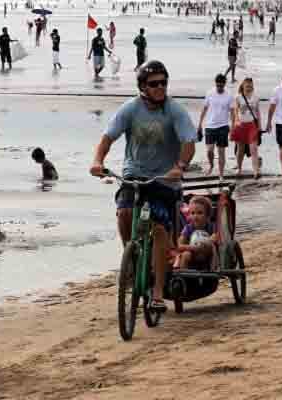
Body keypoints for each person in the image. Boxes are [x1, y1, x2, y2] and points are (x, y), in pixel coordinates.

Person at [89, 60, 197, 311]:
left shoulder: (174, 110)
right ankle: (132, 256)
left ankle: (158, 293)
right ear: (142, 86)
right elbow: (107, 138)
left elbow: (189, 143)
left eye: (163, 83)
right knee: (124, 212)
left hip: (164, 180)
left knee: (159, 230)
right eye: (154, 84)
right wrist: (97, 161)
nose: (160, 87)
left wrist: (179, 166)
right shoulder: (130, 109)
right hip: (134, 175)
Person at [197, 73, 234, 179]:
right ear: (215, 84)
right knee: (209, 150)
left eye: (221, 86)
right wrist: (199, 124)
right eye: (218, 85)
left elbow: (232, 112)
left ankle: (221, 174)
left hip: (223, 126)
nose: (219, 88)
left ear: (224, 84)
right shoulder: (210, 93)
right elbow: (204, 109)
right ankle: (211, 165)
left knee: (221, 152)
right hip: (210, 126)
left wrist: (232, 126)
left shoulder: (229, 95)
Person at [175, 196, 215, 270]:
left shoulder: (211, 227)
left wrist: (211, 240)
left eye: (200, 213)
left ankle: (213, 271)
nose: (195, 216)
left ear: (207, 215)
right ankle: (183, 277)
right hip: (192, 255)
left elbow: (216, 238)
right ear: (189, 215)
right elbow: (179, 246)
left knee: (214, 249)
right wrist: (192, 248)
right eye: (192, 213)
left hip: (207, 255)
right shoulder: (188, 228)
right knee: (186, 255)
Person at [232, 77, 261, 179]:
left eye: (250, 85)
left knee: (254, 148)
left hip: (252, 125)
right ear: (243, 86)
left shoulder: (256, 97)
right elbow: (235, 111)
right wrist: (236, 121)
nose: (249, 87)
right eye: (247, 85)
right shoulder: (238, 97)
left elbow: (258, 112)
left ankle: (256, 171)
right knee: (241, 149)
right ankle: (239, 168)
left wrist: (260, 126)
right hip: (241, 125)